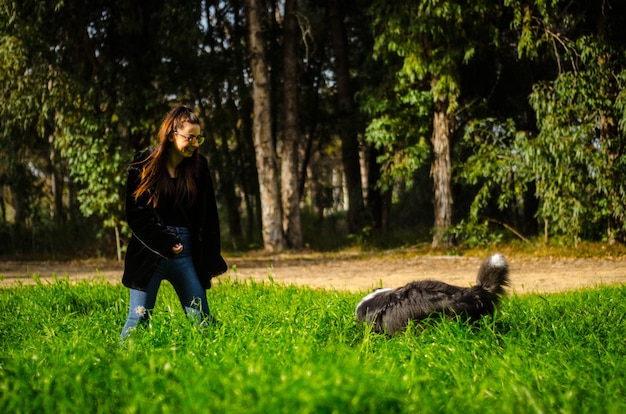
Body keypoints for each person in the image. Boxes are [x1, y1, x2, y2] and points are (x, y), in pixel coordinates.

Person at [120, 105, 227, 341]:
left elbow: (208, 216)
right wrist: (164, 240)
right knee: (138, 320)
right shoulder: (143, 162)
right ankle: (121, 367)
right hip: (150, 251)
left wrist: (209, 255)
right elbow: (136, 213)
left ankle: (214, 367)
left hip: (187, 253)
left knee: (203, 322)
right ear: (171, 134)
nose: (195, 143)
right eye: (190, 137)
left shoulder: (200, 167)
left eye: (199, 138)